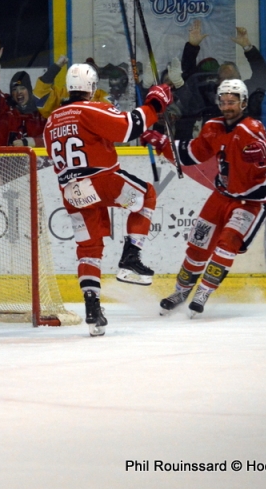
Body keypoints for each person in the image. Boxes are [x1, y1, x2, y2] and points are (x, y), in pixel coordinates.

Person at [43, 63, 172, 336]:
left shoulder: (52, 120)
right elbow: (127, 128)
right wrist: (155, 104)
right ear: (90, 87)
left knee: (89, 247)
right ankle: (130, 258)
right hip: (102, 180)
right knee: (146, 195)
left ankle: (92, 310)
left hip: (71, 190)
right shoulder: (91, 108)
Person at [141, 79, 266, 317]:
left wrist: (260, 156)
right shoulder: (213, 126)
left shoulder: (251, 128)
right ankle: (181, 292)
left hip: (250, 201)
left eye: (232, 101)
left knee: (227, 243)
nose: (227, 106)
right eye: (223, 101)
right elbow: (193, 153)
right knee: (197, 247)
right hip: (221, 196)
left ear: (243, 102)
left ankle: (203, 291)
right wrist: (162, 142)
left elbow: (263, 152)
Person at [0, 38, 46, 147]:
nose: (18, 93)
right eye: (14, 90)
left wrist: (29, 142)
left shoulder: (41, 112)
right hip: (2, 163)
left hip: (35, 163)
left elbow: (52, 138)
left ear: (29, 90)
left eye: (22, 88)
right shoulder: (3, 108)